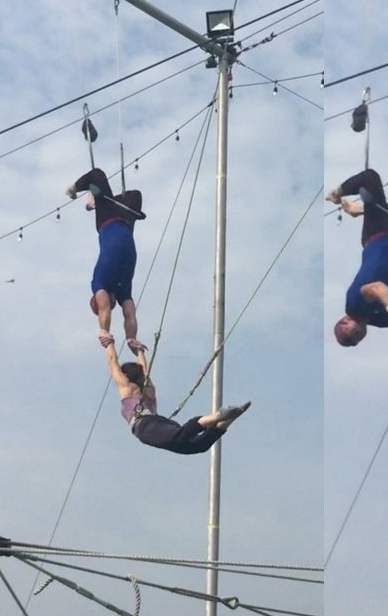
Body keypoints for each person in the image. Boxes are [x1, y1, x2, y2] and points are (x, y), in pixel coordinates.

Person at [103, 337, 251, 454]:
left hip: (144, 427)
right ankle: (227, 420)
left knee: (181, 436)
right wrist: (139, 351)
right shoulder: (148, 388)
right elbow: (145, 370)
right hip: (158, 422)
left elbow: (112, 362)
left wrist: (108, 342)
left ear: (126, 375)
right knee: (196, 445)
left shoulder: (127, 388)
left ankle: (218, 416)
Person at [326, 168, 388, 346]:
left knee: (370, 178)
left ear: (344, 320)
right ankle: (361, 210)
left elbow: (375, 288)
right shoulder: (383, 321)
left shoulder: (353, 306)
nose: (358, 335)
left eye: (351, 334)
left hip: (375, 234)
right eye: (356, 339)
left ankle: (335, 194)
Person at [67, 167, 144, 350]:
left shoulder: (99, 283)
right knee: (135, 196)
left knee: (97, 175)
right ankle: (96, 201)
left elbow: (104, 309)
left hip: (107, 220)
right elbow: (129, 314)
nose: (106, 302)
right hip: (125, 224)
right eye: (108, 303)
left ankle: (76, 191)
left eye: (101, 302)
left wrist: (104, 331)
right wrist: (131, 339)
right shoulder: (123, 292)